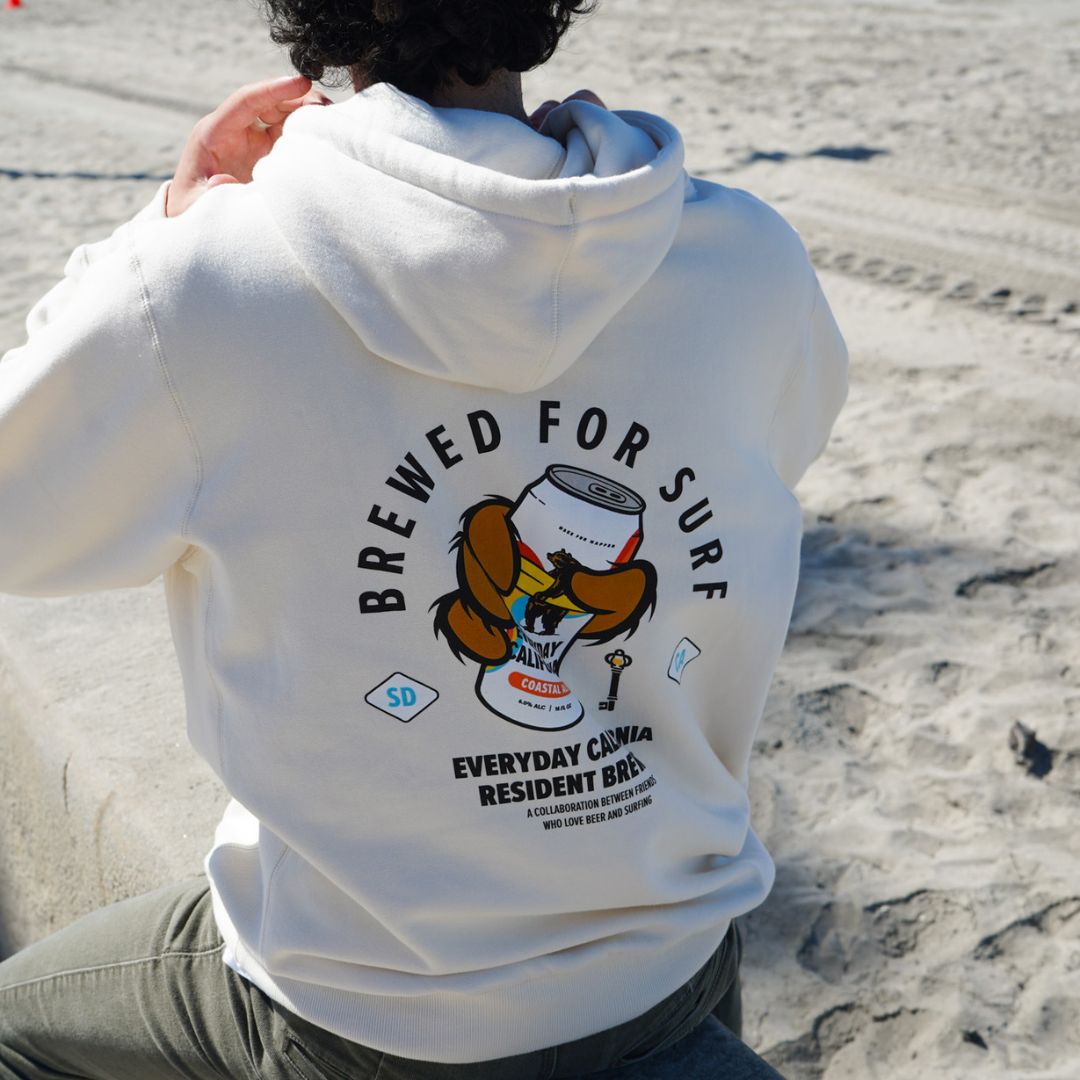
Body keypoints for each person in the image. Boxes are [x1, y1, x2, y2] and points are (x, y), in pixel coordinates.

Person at [0, 0, 847, 1076]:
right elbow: (787, 441)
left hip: (356, 1006)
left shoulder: (201, 287)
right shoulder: (745, 259)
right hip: (669, 971)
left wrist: (163, 226)